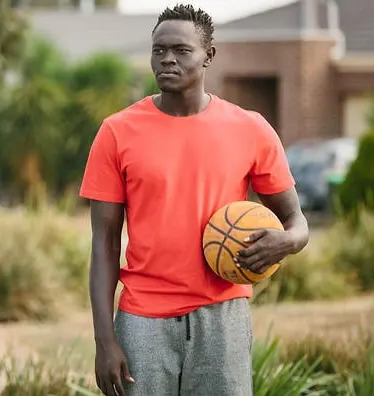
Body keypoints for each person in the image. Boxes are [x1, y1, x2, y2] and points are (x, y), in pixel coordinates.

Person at [78, 4, 310, 396]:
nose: (167, 59)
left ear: (208, 56)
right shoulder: (117, 132)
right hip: (142, 320)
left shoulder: (250, 128)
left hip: (223, 317)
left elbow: (296, 222)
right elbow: (103, 245)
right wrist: (105, 340)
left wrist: (286, 242)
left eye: (181, 51)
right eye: (159, 50)